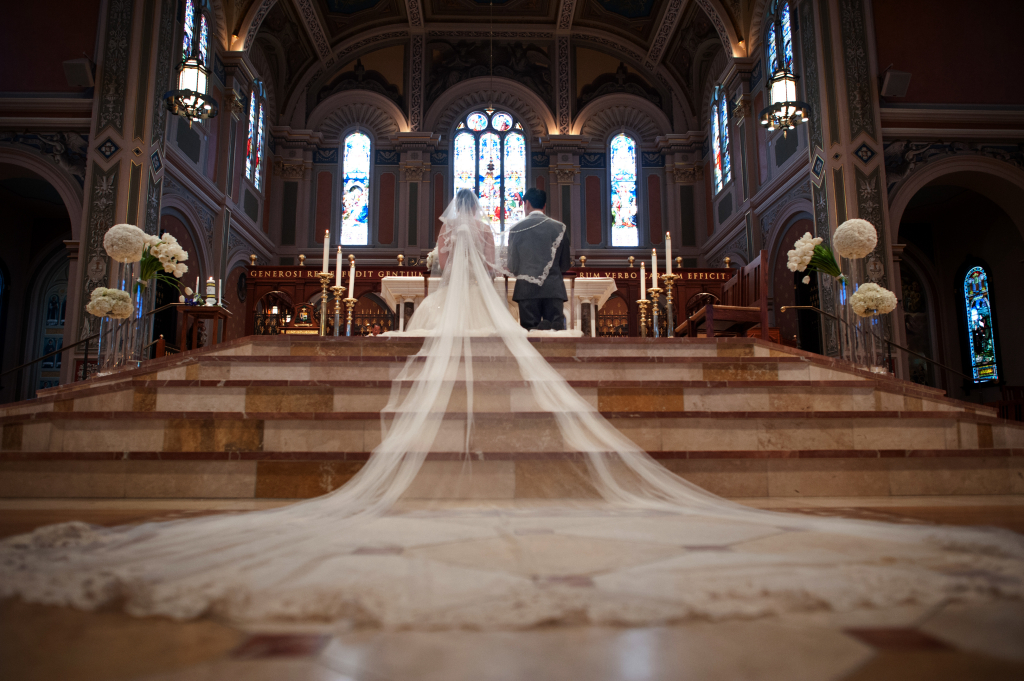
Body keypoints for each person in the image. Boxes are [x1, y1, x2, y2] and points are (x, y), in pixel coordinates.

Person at [1, 187, 1020, 630]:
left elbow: (444, 271)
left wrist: (448, 267)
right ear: (494, 220)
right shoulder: (510, 236)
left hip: (457, 320)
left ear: (457, 221)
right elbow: (491, 273)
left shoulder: (454, 244)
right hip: (502, 321)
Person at [506, 188, 571, 331]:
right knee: (556, 334)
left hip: (526, 290)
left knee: (530, 335)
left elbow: (513, 266)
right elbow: (565, 264)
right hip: (553, 289)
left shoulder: (515, 229)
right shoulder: (560, 227)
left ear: (527, 203)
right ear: (545, 206)